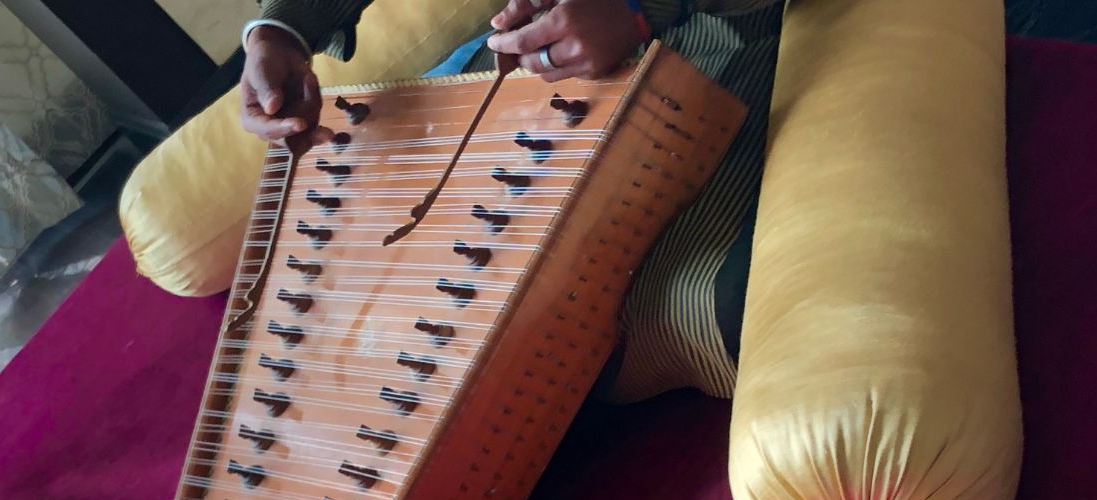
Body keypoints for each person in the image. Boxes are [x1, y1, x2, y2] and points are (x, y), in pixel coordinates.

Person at [239, 0, 784, 403]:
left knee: (716, 314)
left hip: (721, 37)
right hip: (518, 57)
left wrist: (638, 9)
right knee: (332, 317)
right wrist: (280, 32)